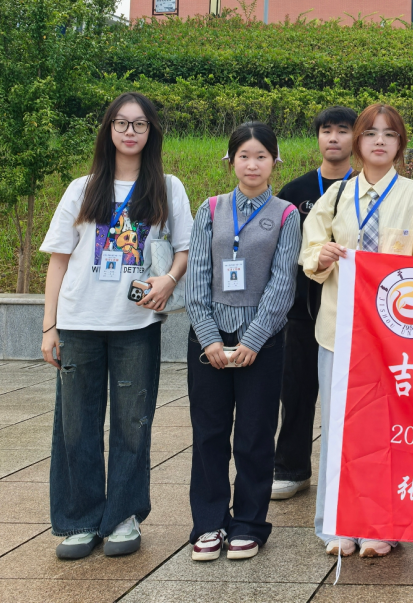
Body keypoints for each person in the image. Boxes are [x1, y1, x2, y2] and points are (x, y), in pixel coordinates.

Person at [40, 92, 192, 560]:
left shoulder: (167, 187)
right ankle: (80, 520)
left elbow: (184, 250)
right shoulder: (82, 188)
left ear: (151, 132)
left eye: (140, 124)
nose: (130, 131)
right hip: (79, 321)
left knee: (132, 423)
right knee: (76, 424)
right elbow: (58, 261)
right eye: (122, 123)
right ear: (109, 130)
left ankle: (124, 516)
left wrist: (169, 280)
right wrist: (49, 327)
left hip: (135, 323)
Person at [301, 103, 413, 559]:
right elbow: (310, 247)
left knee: (388, 430)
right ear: (358, 142)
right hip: (338, 329)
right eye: (371, 133)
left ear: (400, 144)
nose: (380, 141)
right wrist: (320, 257)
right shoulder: (338, 195)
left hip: (393, 337)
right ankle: (338, 524)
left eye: (389, 134)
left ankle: (382, 525)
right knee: (338, 428)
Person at [185, 122, 300, 562]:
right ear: (230, 160)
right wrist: (209, 338)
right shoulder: (210, 209)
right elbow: (197, 277)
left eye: (261, 156)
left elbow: (282, 283)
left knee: (254, 436)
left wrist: (253, 339)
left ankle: (249, 523)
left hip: (262, 343)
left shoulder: (287, 215)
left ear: (275, 161)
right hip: (209, 342)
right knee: (209, 434)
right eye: (244, 156)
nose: (252, 165)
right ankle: (209, 523)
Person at [272, 106, 357, 502]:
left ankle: (352, 474)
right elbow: (283, 252)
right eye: (327, 131)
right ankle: (291, 468)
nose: (334, 138)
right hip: (302, 310)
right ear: (318, 137)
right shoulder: (295, 192)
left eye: (343, 130)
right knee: (296, 391)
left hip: (353, 311)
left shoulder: (367, 188)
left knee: (354, 398)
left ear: (356, 138)